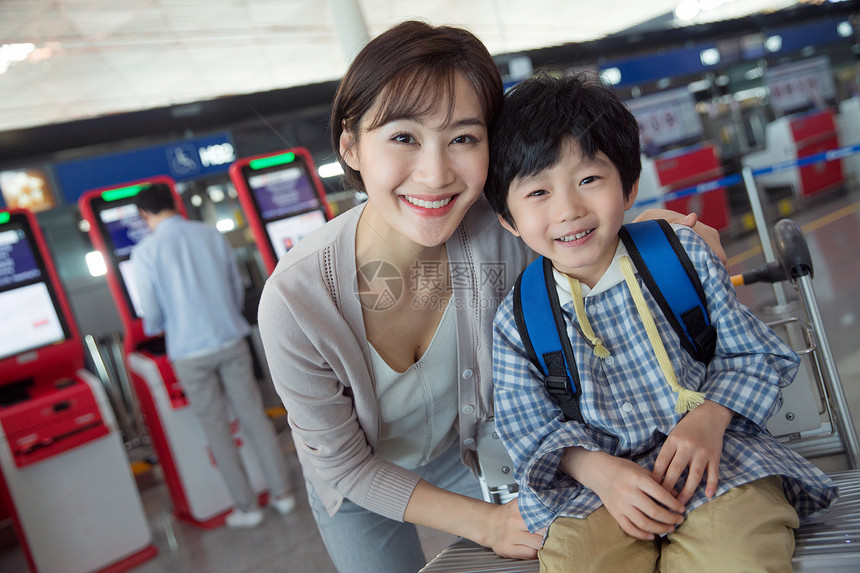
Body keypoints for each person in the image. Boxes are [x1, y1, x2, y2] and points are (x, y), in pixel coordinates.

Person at [257, 20, 726, 573]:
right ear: (350, 146)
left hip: (479, 449)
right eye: (403, 137)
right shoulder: (297, 301)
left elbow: (575, 230)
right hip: (362, 479)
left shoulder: (496, 230)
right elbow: (342, 466)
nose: (435, 175)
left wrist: (658, 233)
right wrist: (486, 524)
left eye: (463, 138)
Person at [484, 72, 838, 572]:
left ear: (628, 187)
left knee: (736, 558)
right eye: (537, 193)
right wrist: (599, 471)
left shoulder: (679, 258)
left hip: (718, 460)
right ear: (508, 219)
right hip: (596, 491)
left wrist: (709, 419)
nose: (568, 210)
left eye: (588, 179)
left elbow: (752, 353)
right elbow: (529, 429)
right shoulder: (520, 317)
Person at [131, 182, 297, 529]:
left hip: (189, 351)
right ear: (174, 203)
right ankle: (283, 495)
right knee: (254, 417)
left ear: (145, 215)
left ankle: (247, 508)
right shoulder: (210, 234)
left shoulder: (145, 252)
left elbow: (152, 313)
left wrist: (157, 326)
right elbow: (236, 286)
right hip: (230, 338)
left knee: (217, 430)